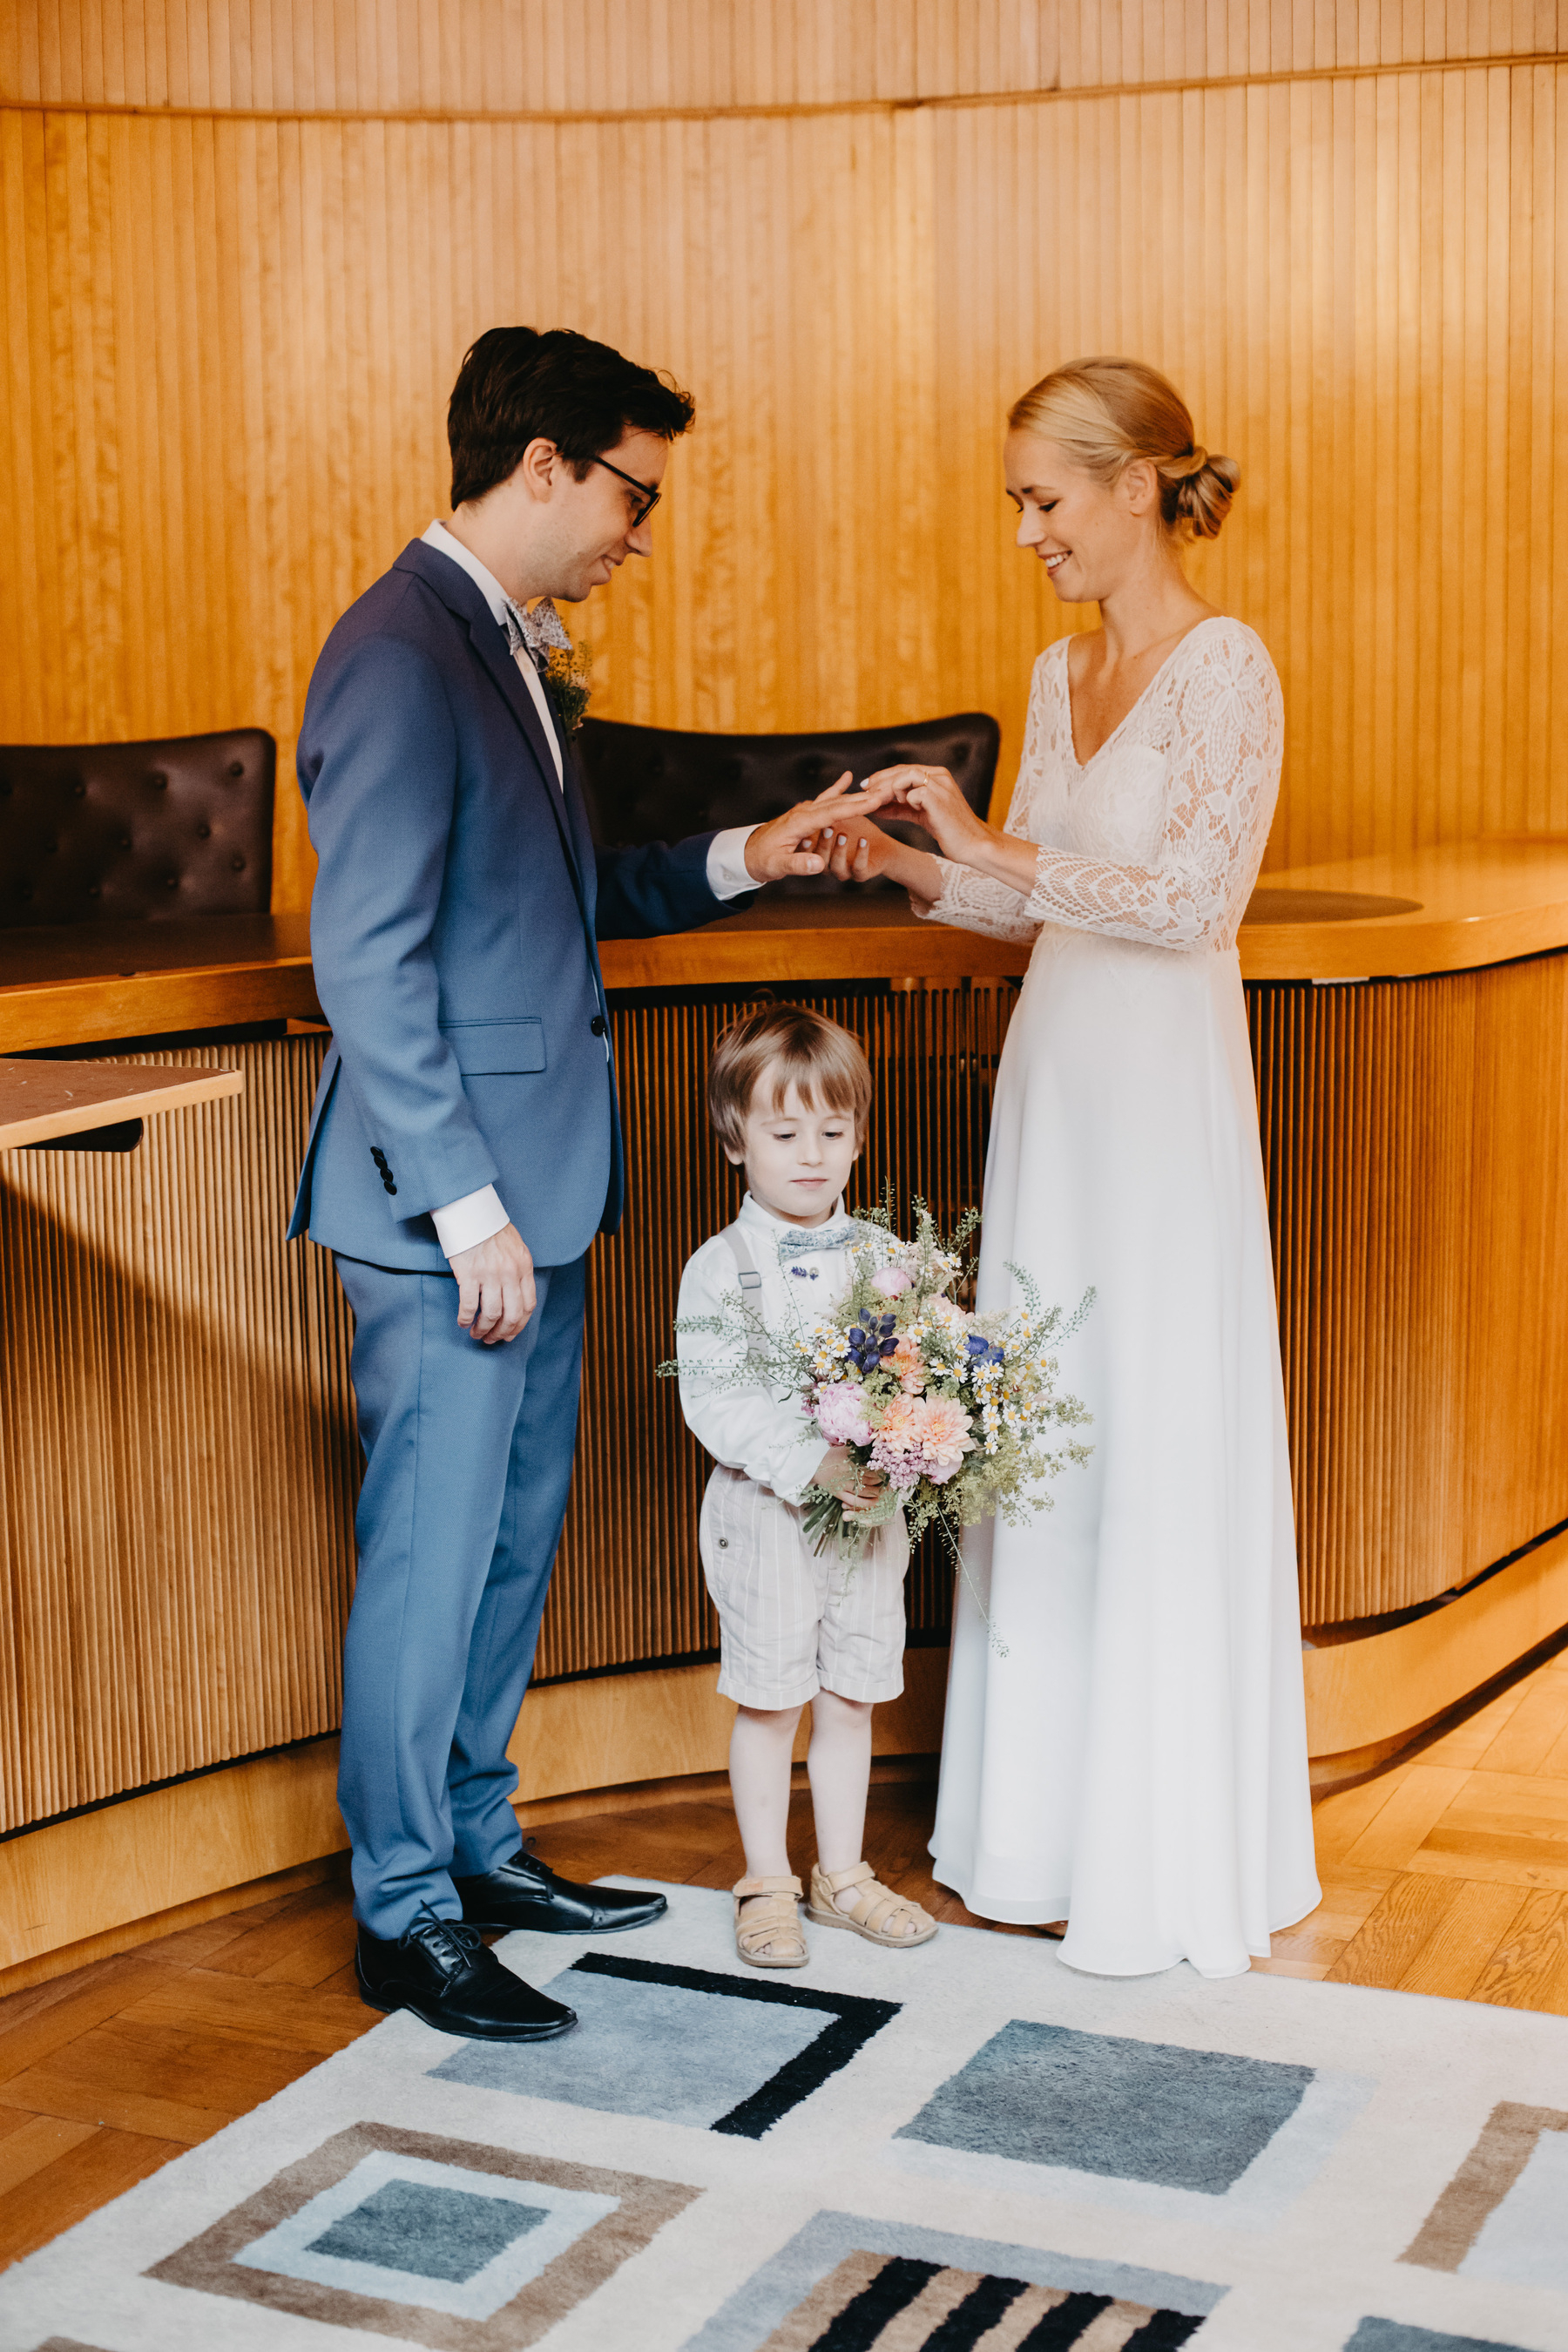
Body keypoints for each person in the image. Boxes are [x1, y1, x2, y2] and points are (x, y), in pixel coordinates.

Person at [289, 328, 868, 2040]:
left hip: (544, 1200)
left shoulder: (501, 654)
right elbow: (373, 959)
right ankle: (402, 1911)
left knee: (505, 1552)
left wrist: (747, 857)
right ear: (541, 464)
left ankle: (474, 1843)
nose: (640, 529)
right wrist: (464, 1207)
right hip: (446, 1213)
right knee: (429, 1555)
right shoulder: (398, 654)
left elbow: (568, 895)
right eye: (633, 491)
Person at [825, 356, 1321, 1979]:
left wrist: (985, 837)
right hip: (1056, 1086)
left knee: (1151, 1422)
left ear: (1132, 487)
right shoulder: (1058, 672)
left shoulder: (1223, 665)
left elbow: (1187, 903)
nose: (1027, 528)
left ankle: (1162, 1841)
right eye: (1019, 500)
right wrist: (906, 859)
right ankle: (1034, 1830)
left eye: (1046, 496)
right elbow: (1039, 904)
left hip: (1162, 1102)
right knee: (1050, 1436)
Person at [675, 1004, 937, 1968]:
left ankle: (841, 1874)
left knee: (852, 1697)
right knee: (771, 1700)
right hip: (769, 1518)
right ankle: (766, 1880)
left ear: (860, 1135)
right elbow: (719, 1402)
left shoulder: (887, 1260)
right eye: (786, 1135)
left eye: (833, 1132)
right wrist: (809, 1463)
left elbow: (920, 1375)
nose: (812, 1154)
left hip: (865, 1521)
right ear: (736, 1139)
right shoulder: (721, 1268)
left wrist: (918, 1440)